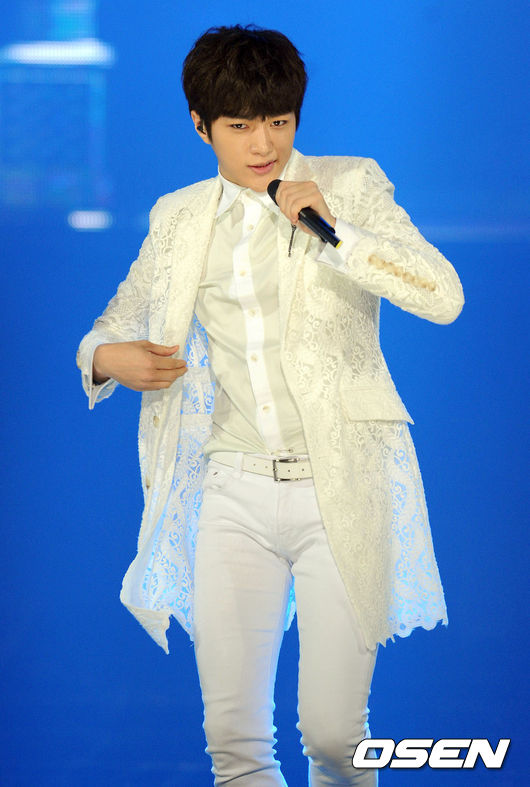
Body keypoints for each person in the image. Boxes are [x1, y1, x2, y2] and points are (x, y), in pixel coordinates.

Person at [76, 24, 464, 786]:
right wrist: (103, 357)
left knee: (335, 736)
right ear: (202, 126)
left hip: (339, 485)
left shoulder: (348, 184)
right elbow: (110, 324)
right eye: (240, 125)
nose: (264, 144)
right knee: (235, 742)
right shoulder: (179, 217)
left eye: (279, 121)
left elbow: (443, 295)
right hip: (232, 489)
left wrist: (338, 233)